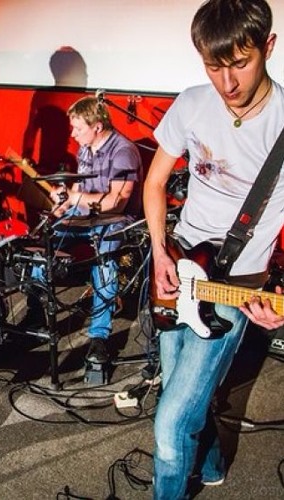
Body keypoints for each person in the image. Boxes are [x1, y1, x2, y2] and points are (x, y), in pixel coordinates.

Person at [143, 1, 284, 498]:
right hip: (178, 268)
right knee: (178, 394)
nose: (227, 83)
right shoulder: (192, 103)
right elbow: (155, 183)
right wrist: (159, 252)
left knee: (168, 424)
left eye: (240, 64)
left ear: (268, 46)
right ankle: (210, 462)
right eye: (213, 66)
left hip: (235, 288)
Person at [22, 95, 142, 363]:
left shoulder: (123, 151)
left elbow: (117, 202)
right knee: (44, 247)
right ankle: (36, 315)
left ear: (97, 126)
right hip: (85, 214)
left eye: (78, 128)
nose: (72, 135)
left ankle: (99, 337)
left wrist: (76, 199)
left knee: (104, 263)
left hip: (116, 219)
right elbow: (79, 188)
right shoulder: (85, 149)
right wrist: (64, 204)